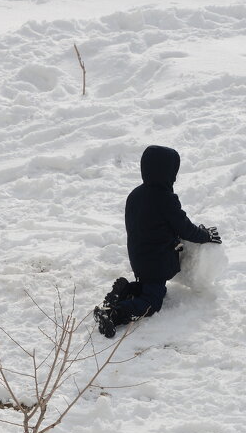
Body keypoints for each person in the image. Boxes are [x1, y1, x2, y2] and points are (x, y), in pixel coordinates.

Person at [94, 145, 222, 338]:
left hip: (138, 256)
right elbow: (184, 228)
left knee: (150, 286)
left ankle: (126, 291)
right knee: (152, 302)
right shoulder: (165, 199)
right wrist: (205, 235)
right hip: (156, 261)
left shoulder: (135, 194)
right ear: (167, 172)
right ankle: (114, 314)